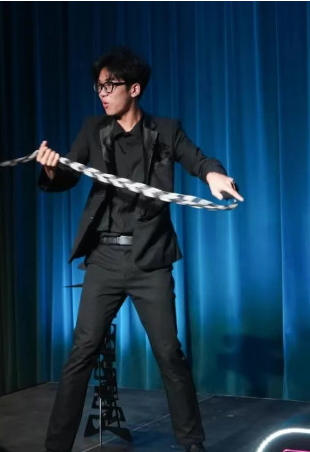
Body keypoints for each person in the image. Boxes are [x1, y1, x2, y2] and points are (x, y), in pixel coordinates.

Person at [36, 47, 243, 452]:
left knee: (169, 353)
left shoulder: (165, 130)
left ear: (134, 89)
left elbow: (197, 160)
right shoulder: (92, 130)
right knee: (81, 352)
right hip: (105, 258)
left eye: (110, 85)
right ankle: (56, 447)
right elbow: (66, 175)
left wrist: (214, 176)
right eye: (98, 86)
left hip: (151, 260)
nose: (102, 93)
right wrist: (49, 168)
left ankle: (192, 443)